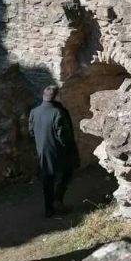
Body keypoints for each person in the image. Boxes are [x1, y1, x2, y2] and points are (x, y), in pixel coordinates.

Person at [29, 85, 79, 217]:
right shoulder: (58, 112)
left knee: (48, 180)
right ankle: (58, 199)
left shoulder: (34, 112)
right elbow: (64, 137)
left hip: (43, 151)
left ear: (43, 96)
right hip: (59, 152)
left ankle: (49, 209)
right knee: (68, 172)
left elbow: (31, 132)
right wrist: (70, 148)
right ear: (57, 97)